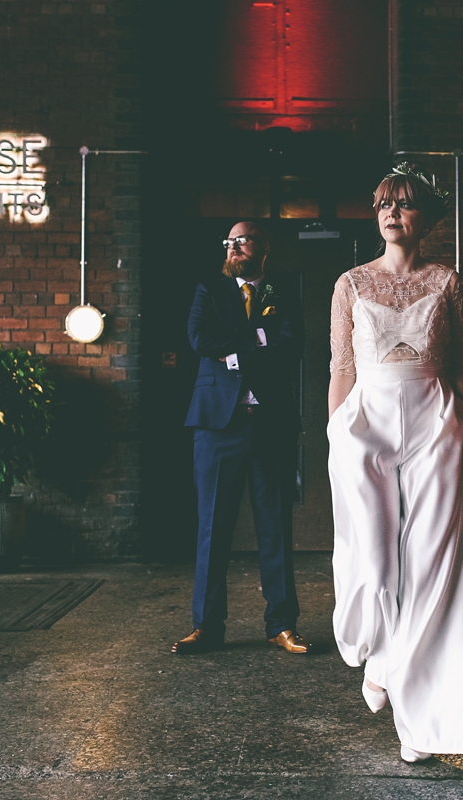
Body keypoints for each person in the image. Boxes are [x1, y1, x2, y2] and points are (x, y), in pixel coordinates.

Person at [327, 164, 463, 763]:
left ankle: (413, 721)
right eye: (383, 204)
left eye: (403, 205)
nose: (391, 214)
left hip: (437, 420)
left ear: (426, 218)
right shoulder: (349, 283)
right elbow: (342, 370)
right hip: (364, 423)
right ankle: (381, 659)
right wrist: (333, 433)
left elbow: (457, 367)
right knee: (375, 565)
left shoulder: (447, 281)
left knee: (430, 567)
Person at [173, 220, 311, 656]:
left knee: (276, 526)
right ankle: (207, 627)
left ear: (263, 248)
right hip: (217, 425)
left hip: (270, 424)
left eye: (243, 240)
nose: (233, 247)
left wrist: (233, 347)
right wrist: (258, 340)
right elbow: (199, 338)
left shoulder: (284, 290)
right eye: (229, 242)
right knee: (212, 527)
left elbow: (293, 342)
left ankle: (282, 624)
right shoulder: (208, 290)